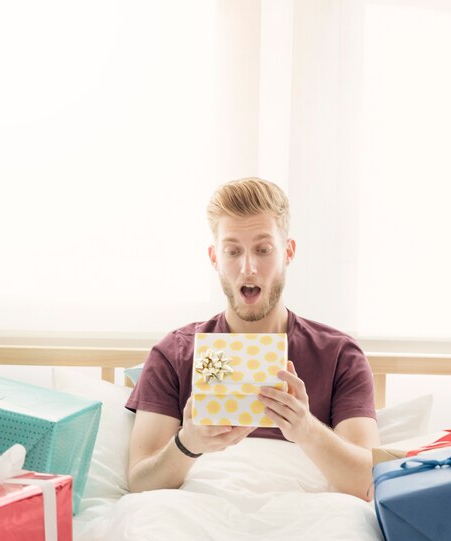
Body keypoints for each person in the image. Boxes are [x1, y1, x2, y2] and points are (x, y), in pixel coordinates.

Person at [127, 177, 379, 500]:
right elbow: (140, 482)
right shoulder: (173, 356)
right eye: (232, 251)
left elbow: (369, 483)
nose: (248, 268)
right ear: (214, 258)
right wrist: (186, 443)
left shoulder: (340, 356)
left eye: (263, 250)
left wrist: (306, 429)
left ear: (288, 252)